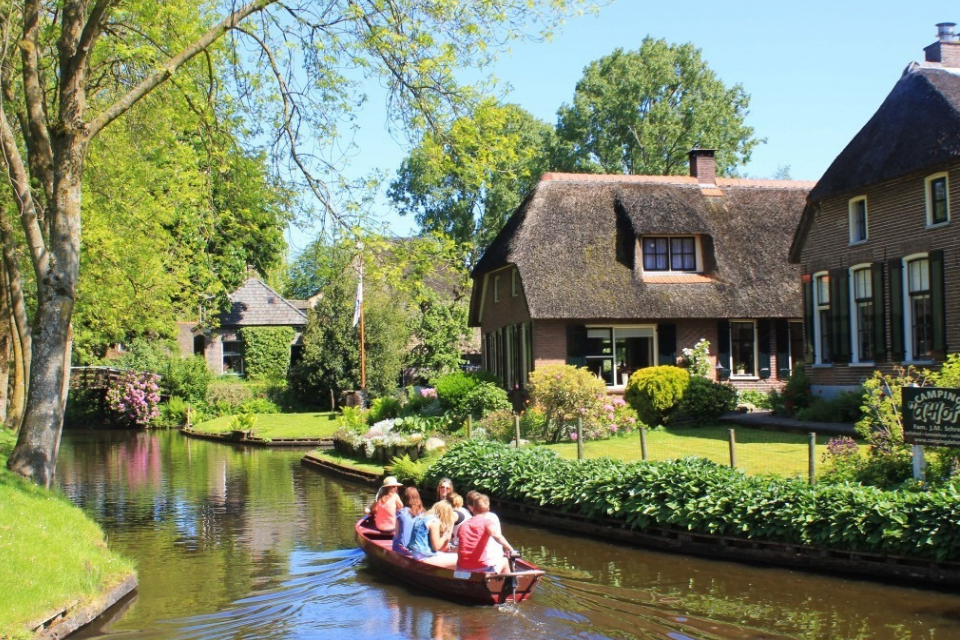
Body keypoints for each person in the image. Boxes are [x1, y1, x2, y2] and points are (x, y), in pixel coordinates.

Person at [456, 493, 514, 574]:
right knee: (504, 560)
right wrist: (510, 549)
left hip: (461, 569)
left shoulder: (463, 525)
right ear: (488, 509)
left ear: (473, 508)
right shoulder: (487, 523)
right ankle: (510, 585)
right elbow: (496, 535)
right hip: (481, 569)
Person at [408, 500, 458, 566]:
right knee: (458, 558)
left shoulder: (422, 517)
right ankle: (462, 576)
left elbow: (440, 549)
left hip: (416, 554)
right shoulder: (434, 522)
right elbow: (436, 547)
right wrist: (446, 534)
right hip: (424, 557)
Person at [393, 486, 425, 555]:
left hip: (403, 550)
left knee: (395, 541)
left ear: (404, 498)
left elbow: (396, 534)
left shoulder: (401, 512)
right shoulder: (424, 513)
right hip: (419, 549)